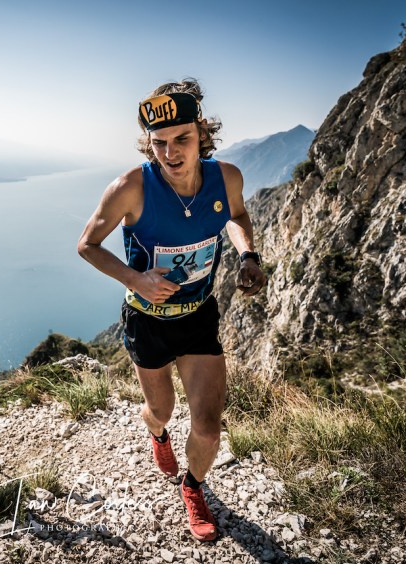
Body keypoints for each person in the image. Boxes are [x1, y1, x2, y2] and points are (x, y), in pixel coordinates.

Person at [77, 79, 265, 541]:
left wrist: (248, 255)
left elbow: (237, 216)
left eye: (182, 138)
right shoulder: (130, 187)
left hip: (198, 315)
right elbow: (87, 245)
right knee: (160, 409)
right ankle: (157, 434)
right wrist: (136, 279)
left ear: (202, 133)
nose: (170, 152)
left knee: (209, 429)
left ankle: (193, 487)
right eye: (159, 142)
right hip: (148, 321)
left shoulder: (227, 177)